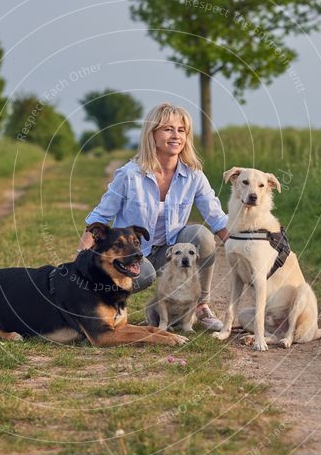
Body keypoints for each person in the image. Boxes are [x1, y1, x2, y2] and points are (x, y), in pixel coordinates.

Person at [78, 102, 229, 331]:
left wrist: (245, 249)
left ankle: (201, 306)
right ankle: (96, 305)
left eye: (181, 130)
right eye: (168, 129)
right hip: (134, 255)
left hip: (171, 250)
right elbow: (99, 217)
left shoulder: (194, 175)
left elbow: (218, 219)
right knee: (144, 274)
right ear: (152, 134)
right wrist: (78, 260)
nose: (176, 135)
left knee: (203, 236)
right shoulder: (130, 174)